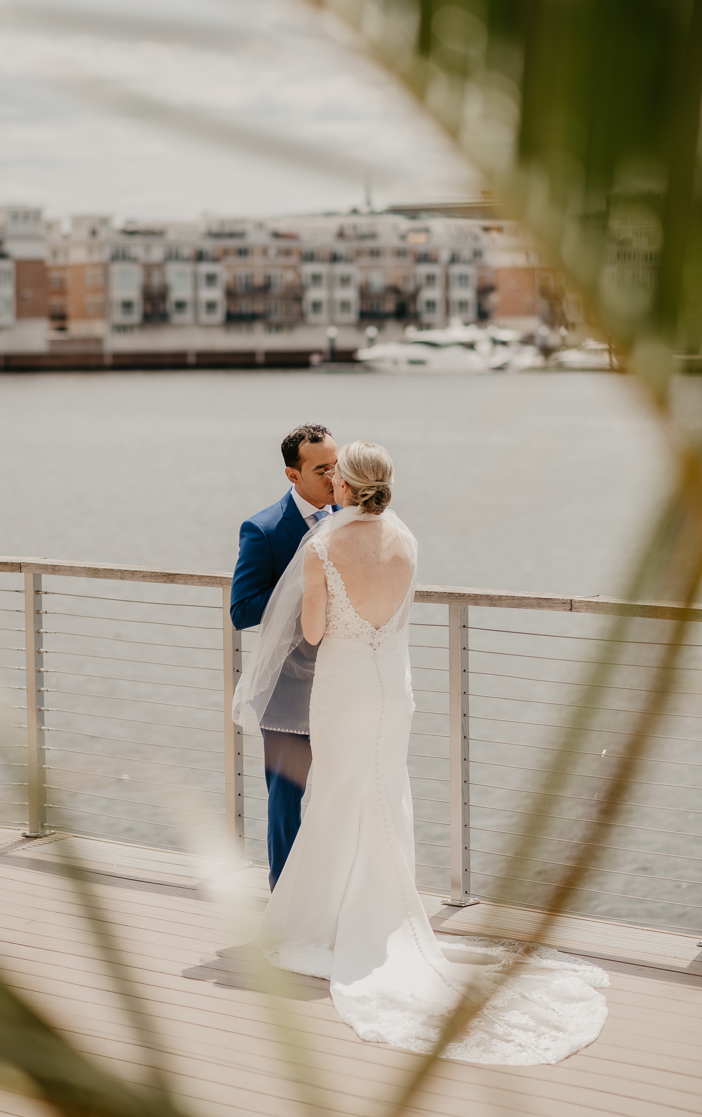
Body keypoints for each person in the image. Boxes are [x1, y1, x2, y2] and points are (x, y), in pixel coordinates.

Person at [233, 441, 608, 1064]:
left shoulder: (323, 546)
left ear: (346, 488)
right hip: (391, 691)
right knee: (385, 794)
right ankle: (382, 914)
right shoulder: (407, 539)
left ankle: (328, 921)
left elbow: (314, 632)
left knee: (336, 798)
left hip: (344, 689)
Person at [230, 423, 339, 889]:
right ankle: (285, 897)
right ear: (292, 475)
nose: (334, 479)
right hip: (286, 688)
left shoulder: (351, 519)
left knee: (341, 794)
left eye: (338, 466)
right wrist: (303, 591)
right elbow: (241, 609)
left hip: (342, 681)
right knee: (286, 800)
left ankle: (331, 890)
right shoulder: (264, 528)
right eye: (321, 470)